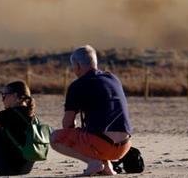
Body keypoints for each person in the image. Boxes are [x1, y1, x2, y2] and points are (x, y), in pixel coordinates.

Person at [50, 45, 134, 177]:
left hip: (101, 144)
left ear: (77, 66)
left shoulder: (77, 85)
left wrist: (75, 131)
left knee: (55, 138)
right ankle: (107, 167)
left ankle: (93, 162)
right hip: (124, 146)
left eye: (73, 67)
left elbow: (67, 124)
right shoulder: (113, 79)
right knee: (97, 129)